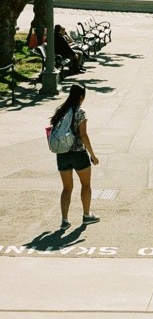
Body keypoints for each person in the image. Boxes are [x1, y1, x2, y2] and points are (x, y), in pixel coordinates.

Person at [49, 84, 99, 230]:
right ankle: (86, 215)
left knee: (67, 188)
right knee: (86, 185)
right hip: (78, 153)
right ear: (81, 97)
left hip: (62, 154)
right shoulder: (80, 112)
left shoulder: (61, 110)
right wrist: (93, 155)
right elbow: (83, 135)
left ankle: (64, 220)